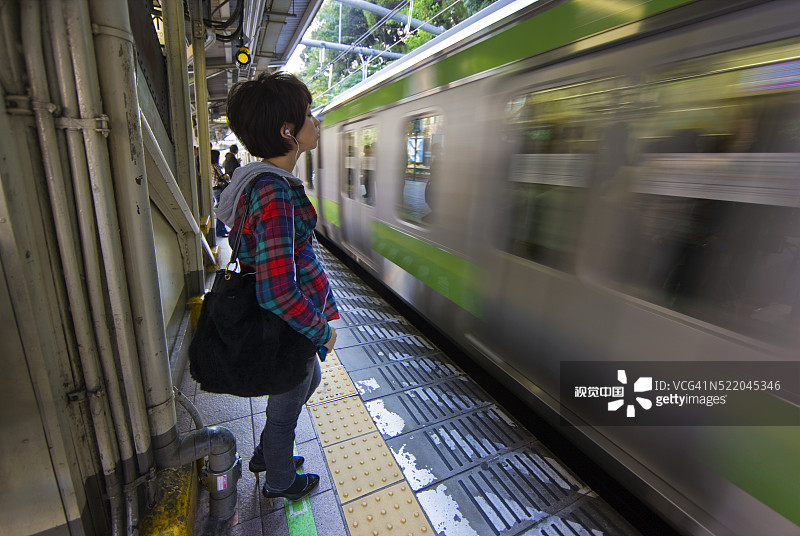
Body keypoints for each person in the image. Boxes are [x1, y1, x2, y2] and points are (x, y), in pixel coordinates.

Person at [217, 72, 338, 501]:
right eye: (308, 114)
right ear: (288, 131)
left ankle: (269, 453)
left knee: (308, 379)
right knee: (288, 403)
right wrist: (321, 330)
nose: (316, 121)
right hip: (287, 323)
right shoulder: (275, 193)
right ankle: (280, 480)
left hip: (285, 321)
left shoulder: (262, 181)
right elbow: (278, 290)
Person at [210, 149, 230, 237]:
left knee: (220, 208)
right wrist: (227, 176)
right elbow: (223, 176)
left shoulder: (209, 166)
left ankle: (222, 229)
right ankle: (220, 230)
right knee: (221, 210)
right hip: (219, 188)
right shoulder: (215, 166)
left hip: (214, 189)